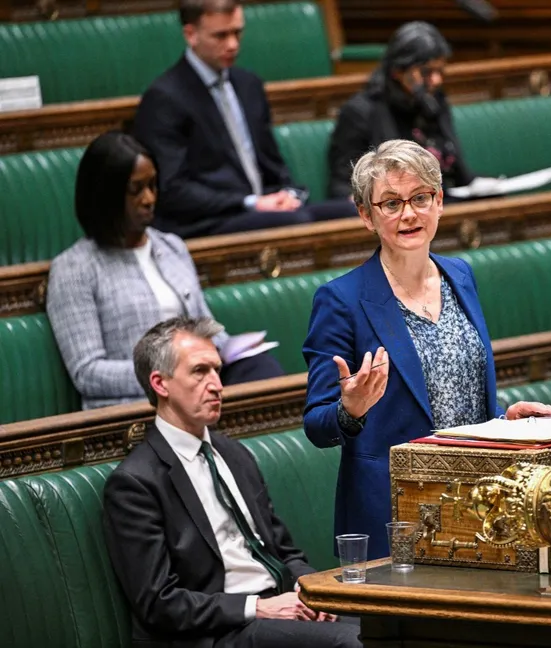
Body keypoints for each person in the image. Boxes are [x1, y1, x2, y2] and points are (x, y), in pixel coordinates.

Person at [303, 139, 551, 559]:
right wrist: (348, 412)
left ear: (439, 202)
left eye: (420, 197)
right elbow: (317, 424)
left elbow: (453, 399)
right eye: (390, 203)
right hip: (395, 513)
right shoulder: (340, 300)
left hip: (476, 505)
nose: (408, 214)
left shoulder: (459, 275)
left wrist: (502, 420)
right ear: (366, 215)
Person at [102, 316, 361, 648]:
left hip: (281, 608)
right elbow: (158, 602)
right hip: (219, 633)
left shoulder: (232, 453)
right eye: (199, 371)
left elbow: (283, 550)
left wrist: (308, 588)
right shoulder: (135, 483)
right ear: (160, 383)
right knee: (353, 643)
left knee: (396, 624)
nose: (217, 385)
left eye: (217, 370)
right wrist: (258, 607)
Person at [46, 131, 283, 410]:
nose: (149, 198)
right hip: (140, 403)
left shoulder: (171, 247)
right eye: (136, 190)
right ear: (105, 196)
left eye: (152, 186)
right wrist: (169, 373)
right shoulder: (74, 269)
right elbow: (87, 373)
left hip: (197, 383)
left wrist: (227, 347)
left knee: (261, 369)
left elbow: (205, 326)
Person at [133, 0, 356, 238]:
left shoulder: (248, 85)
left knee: (356, 211)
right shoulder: (165, 98)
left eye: (237, 33)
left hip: (266, 210)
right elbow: (172, 189)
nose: (232, 45)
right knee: (294, 221)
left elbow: (272, 164)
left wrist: (287, 194)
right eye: (220, 36)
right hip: (208, 220)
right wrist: (250, 203)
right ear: (191, 34)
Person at [327, 21, 475, 200]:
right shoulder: (361, 112)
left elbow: (456, 167)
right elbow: (343, 185)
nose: (436, 80)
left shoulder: (435, 101)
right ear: (398, 71)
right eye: (426, 72)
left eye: (440, 71)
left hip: (444, 199)